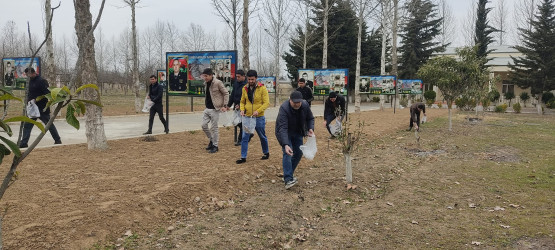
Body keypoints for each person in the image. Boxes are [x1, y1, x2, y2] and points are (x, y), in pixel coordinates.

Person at [275, 91, 315, 189]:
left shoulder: (305, 105)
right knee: (288, 152)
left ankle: (288, 174)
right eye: (294, 102)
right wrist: (285, 144)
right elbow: (282, 128)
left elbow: (310, 118)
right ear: (290, 100)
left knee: (298, 152)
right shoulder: (284, 108)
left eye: (299, 102)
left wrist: (310, 128)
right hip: (285, 132)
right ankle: (288, 180)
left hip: (298, 131)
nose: (297, 104)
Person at [19, 68, 61, 148]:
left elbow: (47, 94)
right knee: (27, 125)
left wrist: (37, 99)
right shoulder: (29, 81)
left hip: (42, 108)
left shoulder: (41, 81)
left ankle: (57, 140)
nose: (28, 76)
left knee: (49, 125)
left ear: (33, 73)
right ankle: (24, 143)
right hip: (32, 108)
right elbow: (29, 93)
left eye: (29, 74)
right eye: (26, 75)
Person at [236, 70, 270, 164]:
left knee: (262, 136)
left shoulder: (262, 88)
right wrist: (242, 109)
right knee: (244, 137)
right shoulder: (244, 88)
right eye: (249, 79)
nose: (250, 81)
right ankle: (243, 157)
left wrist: (258, 111)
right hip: (247, 117)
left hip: (259, 117)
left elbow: (266, 103)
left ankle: (266, 152)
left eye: (252, 79)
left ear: (256, 78)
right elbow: (242, 101)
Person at [201, 68, 229, 153]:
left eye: (206, 76)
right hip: (207, 108)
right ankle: (212, 140)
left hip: (215, 109)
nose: (205, 78)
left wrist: (225, 105)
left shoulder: (218, 83)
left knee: (214, 128)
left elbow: (226, 93)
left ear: (210, 75)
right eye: (204, 76)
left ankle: (215, 146)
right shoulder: (206, 83)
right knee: (203, 125)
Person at [226, 69, 247, 146]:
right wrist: (229, 105)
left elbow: (246, 97)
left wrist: (240, 105)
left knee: (242, 123)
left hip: (244, 107)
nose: (237, 78)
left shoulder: (246, 85)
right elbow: (233, 95)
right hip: (236, 107)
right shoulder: (236, 84)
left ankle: (240, 140)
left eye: (239, 77)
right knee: (235, 122)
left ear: (243, 76)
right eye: (236, 77)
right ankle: (249, 133)